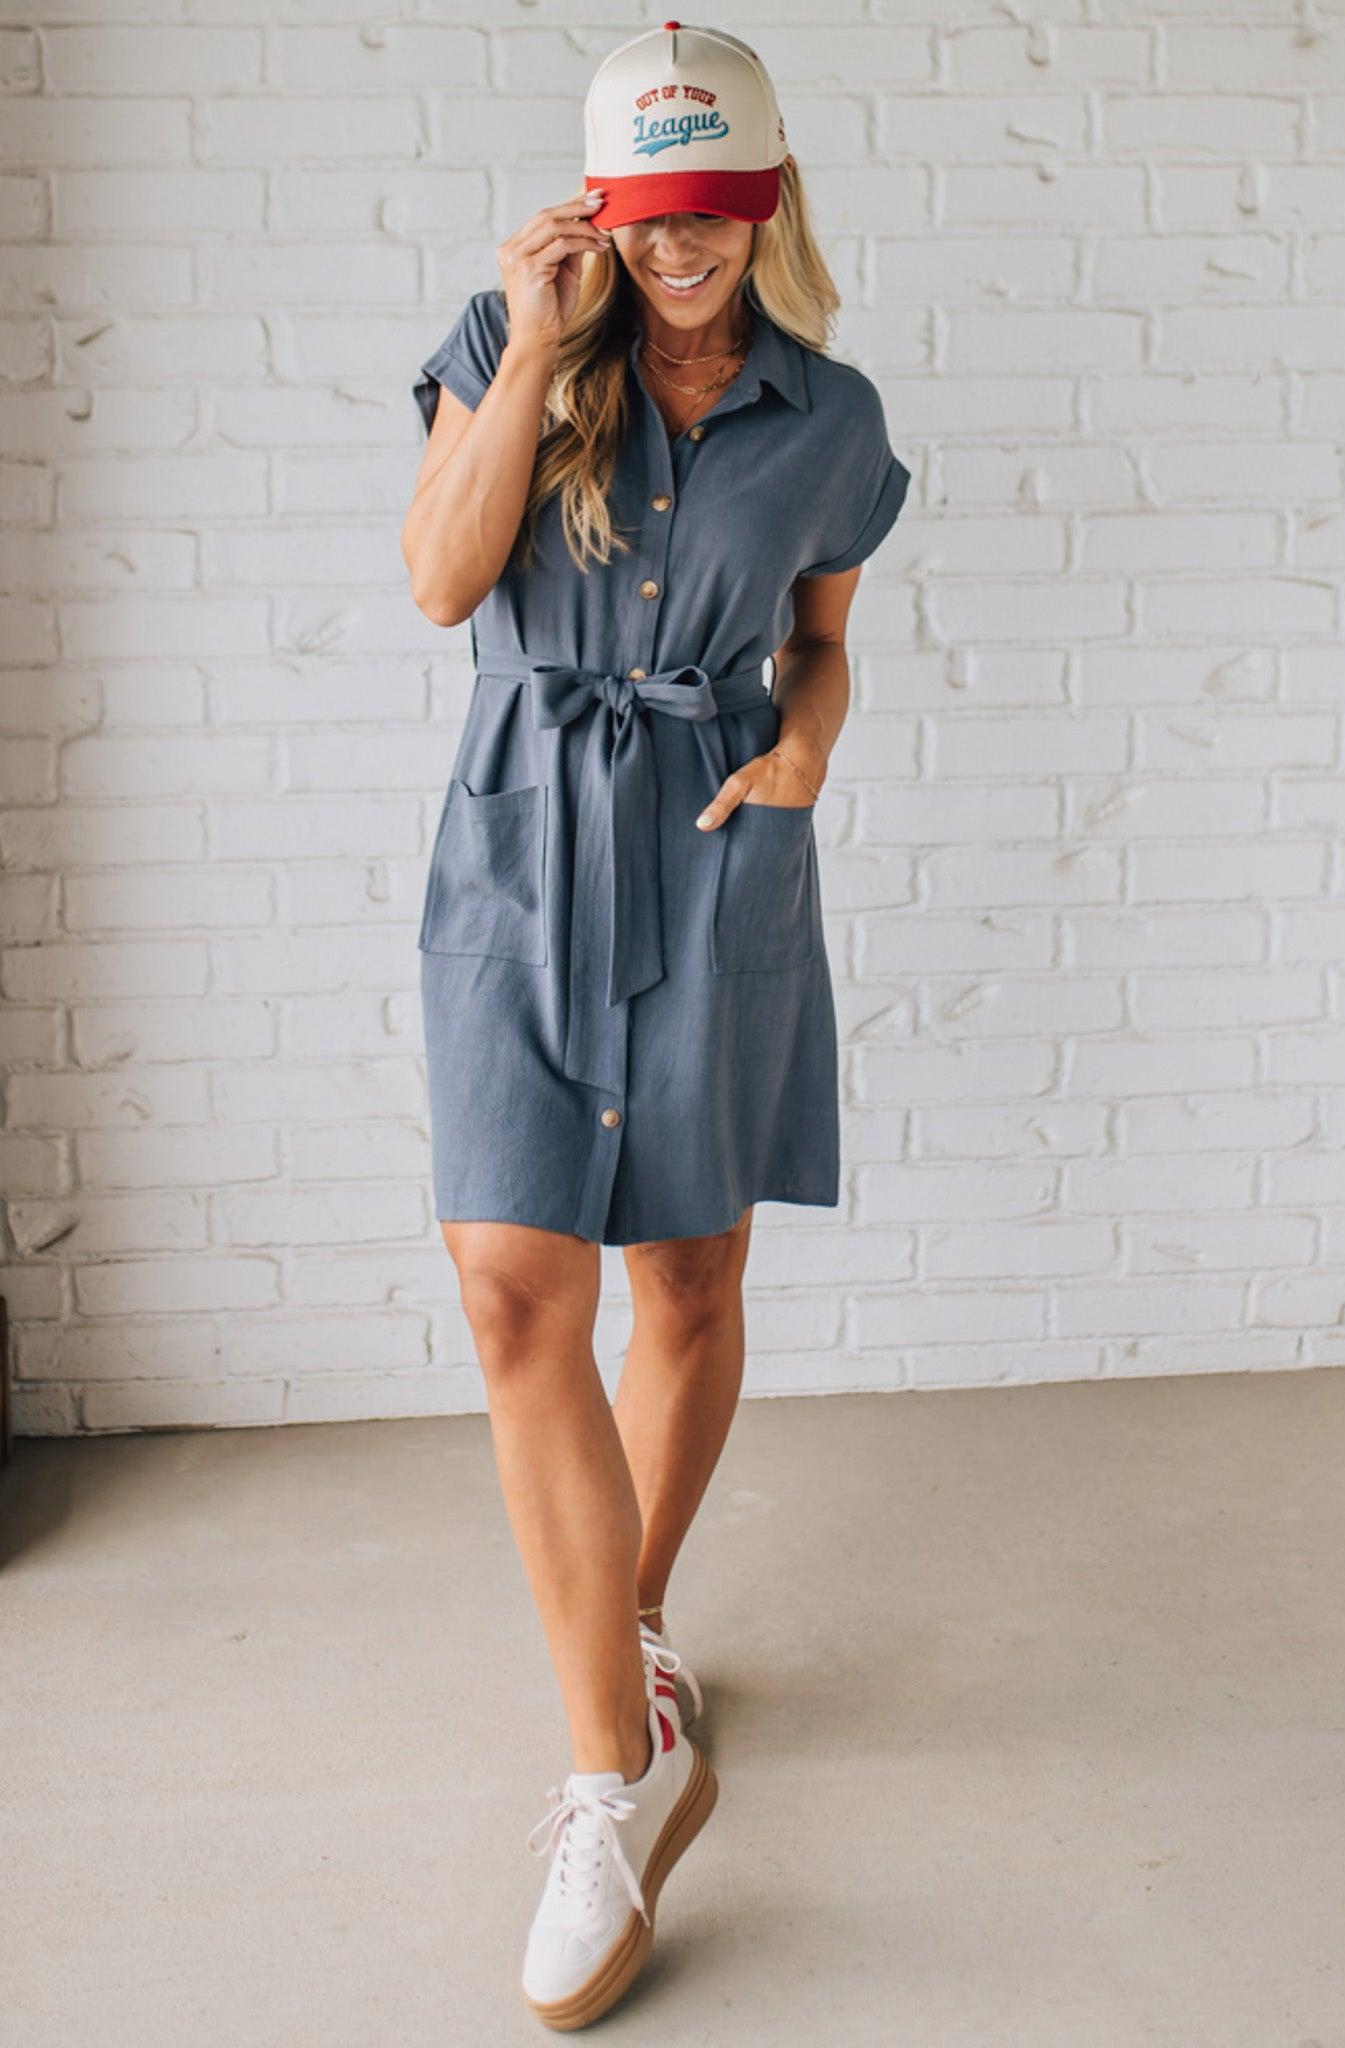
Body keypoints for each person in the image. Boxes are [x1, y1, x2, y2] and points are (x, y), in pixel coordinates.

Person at [400, 18, 910, 2031]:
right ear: (596, 210)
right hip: (521, 845)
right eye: (644, 215)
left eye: (711, 211)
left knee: (687, 1278)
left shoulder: (831, 416)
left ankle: (631, 1639)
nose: (678, 249)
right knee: (509, 1286)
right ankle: (615, 1777)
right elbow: (442, 580)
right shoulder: (502, 340)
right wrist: (536, 346)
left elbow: (820, 645)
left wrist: (803, 754)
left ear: (764, 199)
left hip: (714, 847)